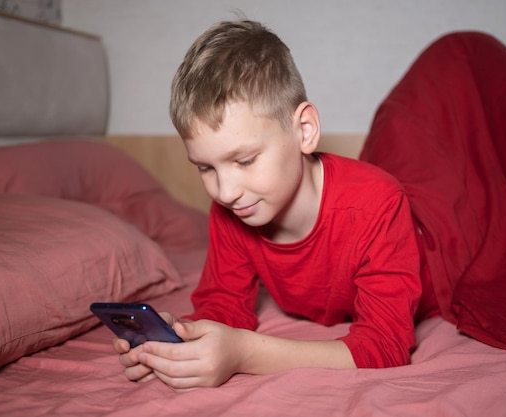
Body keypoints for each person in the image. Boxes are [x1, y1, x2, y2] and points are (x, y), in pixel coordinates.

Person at [114, 18, 438, 390]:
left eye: (245, 160)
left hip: (440, 252)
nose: (225, 190)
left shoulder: (378, 204)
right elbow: (223, 304)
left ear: (304, 131)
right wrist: (184, 338)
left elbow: (386, 344)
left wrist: (246, 353)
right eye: (206, 167)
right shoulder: (232, 210)